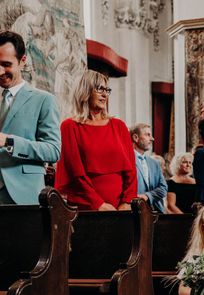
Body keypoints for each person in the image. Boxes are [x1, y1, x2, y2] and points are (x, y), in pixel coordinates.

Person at [55, 70, 137, 210]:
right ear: (85, 91)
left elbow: (131, 170)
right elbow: (75, 172)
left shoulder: (119, 126)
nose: (105, 94)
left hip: (121, 208)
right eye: (100, 89)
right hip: (86, 207)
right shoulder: (70, 127)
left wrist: (127, 201)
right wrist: (98, 204)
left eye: (107, 90)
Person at [0, 30, 60, 205]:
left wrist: (9, 142)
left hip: (23, 196)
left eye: (6, 64)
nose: (0, 71)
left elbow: (53, 150)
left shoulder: (44, 100)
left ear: (23, 61)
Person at [131, 123, 167, 213]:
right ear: (136, 137)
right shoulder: (127, 160)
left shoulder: (154, 163)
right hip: (134, 210)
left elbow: (163, 188)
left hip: (155, 211)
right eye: (148, 135)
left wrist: (147, 196)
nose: (152, 139)